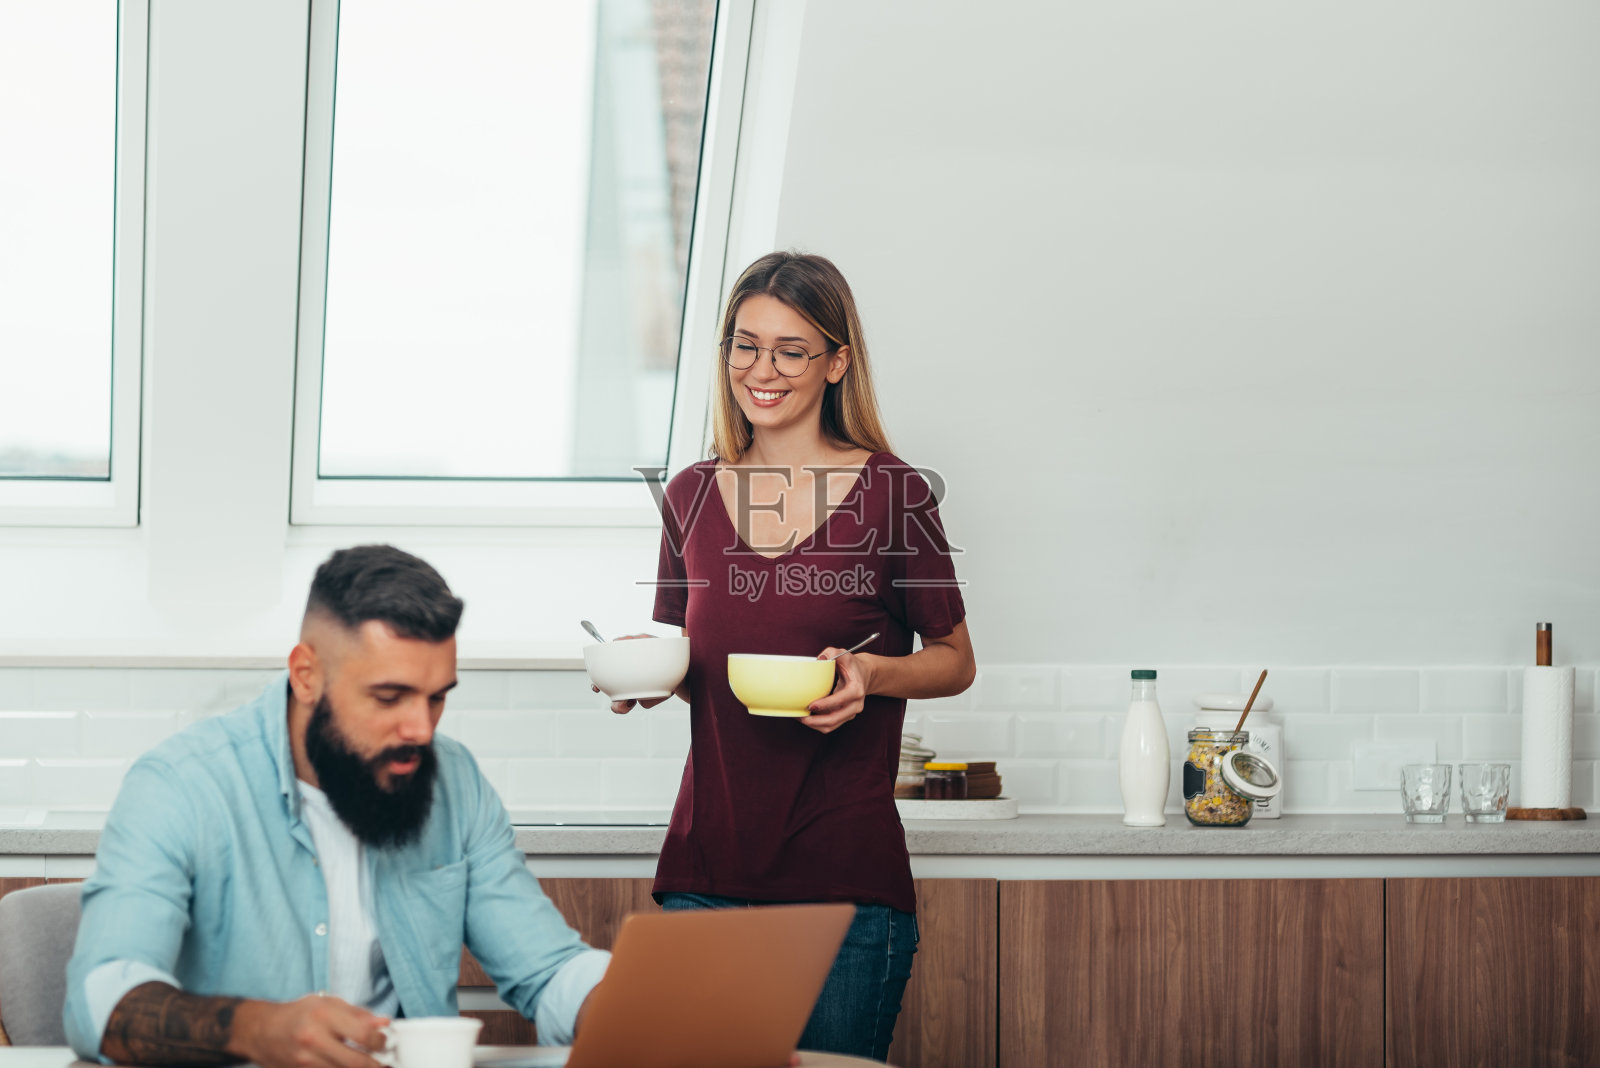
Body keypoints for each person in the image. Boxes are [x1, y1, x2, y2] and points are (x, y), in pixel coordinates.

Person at [613, 250, 976, 1062]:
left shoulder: (896, 494)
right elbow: (685, 656)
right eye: (744, 344)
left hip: (843, 889)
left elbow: (954, 657)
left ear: (837, 361)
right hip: (704, 873)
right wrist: (644, 676)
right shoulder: (691, 495)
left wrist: (873, 674)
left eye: (790, 349)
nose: (760, 370)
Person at [64, 545, 609, 1067]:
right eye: (389, 698)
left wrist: (623, 998)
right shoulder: (182, 784)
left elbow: (549, 969)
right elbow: (101, 1002)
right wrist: (256, 1030)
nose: (421, 729)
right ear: (306, 675)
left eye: (437, 696)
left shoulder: (455, 782)